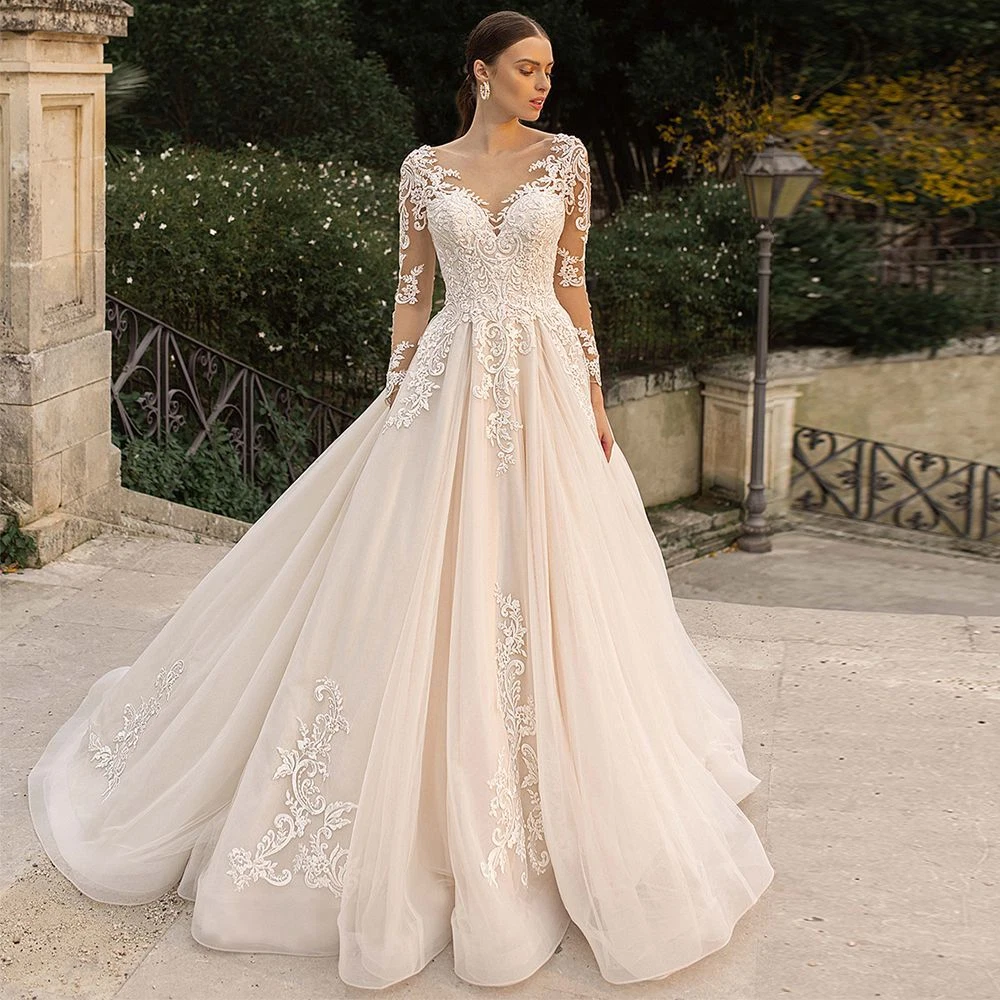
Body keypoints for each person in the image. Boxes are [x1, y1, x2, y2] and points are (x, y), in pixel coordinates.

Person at [27, 9, 774, 992]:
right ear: (481, 72)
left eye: (549, 70)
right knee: (414, 571)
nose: (543, 84)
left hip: (545, 385)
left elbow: (572, 283)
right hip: (450, 380)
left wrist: (594, 393)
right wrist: (398, 382)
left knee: (556, 579)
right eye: (525, 68)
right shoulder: (423, 170)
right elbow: (412, 289)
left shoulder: (568, 160)